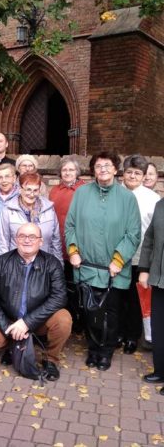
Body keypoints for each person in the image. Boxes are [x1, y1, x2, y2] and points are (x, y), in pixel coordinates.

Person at [65, 151, 141, 371]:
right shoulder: (81, 194)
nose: (103, 169)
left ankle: (106, 351)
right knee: (91, 312)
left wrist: (118, 260)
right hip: (87, 266)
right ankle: (93, 348)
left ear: (116, 169)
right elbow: (70, 226)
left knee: (111, 312)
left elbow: (133, 233)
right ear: (93, 170)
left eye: (107, 165)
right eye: (98, 166)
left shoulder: (127, 198)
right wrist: (73, 251)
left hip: (113, 270)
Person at [0, 223, 72, 381]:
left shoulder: (52, 263)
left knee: (63, 319)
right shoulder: (1, 262)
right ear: (16, 239)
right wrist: (8, 327)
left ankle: (51, 360)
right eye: (22, 236)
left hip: (39, 319)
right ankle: (12, 346)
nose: (27, 240)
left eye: (32, 237)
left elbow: (59, 297)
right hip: (8, 318)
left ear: (40, 241)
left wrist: (27, 322)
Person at [119, 154, 160, 353]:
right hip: (116, 257)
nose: (133, 176)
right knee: (118, 297)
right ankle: (117, 333)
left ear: (144, 176)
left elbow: (155, 232)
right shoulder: (115, 193)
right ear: (123, 174)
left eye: (137, 173)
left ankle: (131, 337)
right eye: (129, 172)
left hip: (139, 258)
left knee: (135, 300)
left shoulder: (153, 199)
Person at [49, 156, 85, 331]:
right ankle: (65, 319)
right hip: (58, 246)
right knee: (62, 285)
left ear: (77, 172)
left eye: (71, 170)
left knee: (79, 285)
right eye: (64, 170)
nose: (68, 173)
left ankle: (80, 320)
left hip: (78, 247)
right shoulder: (55, 191)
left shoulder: (85, 190)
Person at [0, 172, 62, 265]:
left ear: (39, 191)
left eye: (35, 190)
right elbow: (3, 242)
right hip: (16, 264)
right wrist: (4, 268)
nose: (32, 194)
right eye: (28, 190)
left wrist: (59, 266)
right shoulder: (8, 210)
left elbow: (56, 241)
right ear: (20, 189)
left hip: (44, 264)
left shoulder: (49, 209)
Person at [138, 199, 164, 395]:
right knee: (159, 327)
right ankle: (160, 370)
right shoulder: (160, 205)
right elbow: (149, 240)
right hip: (158, 278)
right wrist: (145, 269)